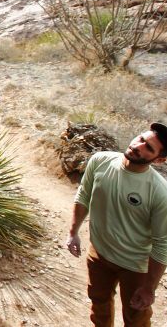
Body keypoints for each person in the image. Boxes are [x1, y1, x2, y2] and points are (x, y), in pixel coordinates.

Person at [66, 122, 167, 326]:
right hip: (99, 254)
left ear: (159, 160)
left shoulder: (160, 192)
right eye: (141, 139)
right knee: (99, 303)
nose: (139, 146)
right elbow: (83, 196)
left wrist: (149, 288)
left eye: (148, 148)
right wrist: (73, 232)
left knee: (136, 318)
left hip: (135, 266)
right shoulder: (100, 161)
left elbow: (162, 245)